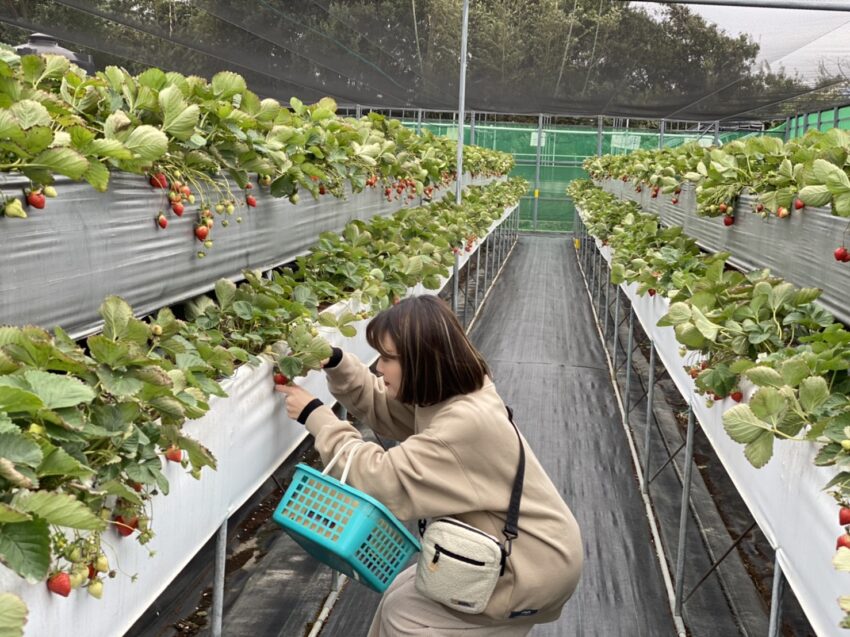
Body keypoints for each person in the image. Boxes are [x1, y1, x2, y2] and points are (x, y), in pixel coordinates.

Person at [277, 295, 583, 636]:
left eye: (388, 358)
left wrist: (316, 417)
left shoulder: (465, 423)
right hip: (507, 546)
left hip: (526, 567)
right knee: (399, 600)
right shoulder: (450, 395)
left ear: (421, 362)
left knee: (407, 620)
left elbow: (380, 481)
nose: (378, 367)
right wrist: (336, 362)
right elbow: (385, 405)